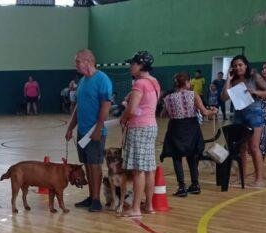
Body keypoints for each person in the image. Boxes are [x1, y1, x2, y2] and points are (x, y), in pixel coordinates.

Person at [66, 49, 112, 213]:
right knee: (87, 165)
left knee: (95, 166)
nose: (76, 64)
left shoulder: (102, 80)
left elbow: (106, 106)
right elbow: (79, 106)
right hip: (82, 132)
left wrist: (98, 128)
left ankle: (96, 200)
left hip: (95, 132)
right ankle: (91, 196)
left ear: (88, 61)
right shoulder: (83, 82)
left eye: (77, 61)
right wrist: (71, 127)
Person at [118, 51, 160, 218]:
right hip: (151, 126)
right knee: (149, 168)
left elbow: (132, 108)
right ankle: (148, 205)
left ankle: (135, 208)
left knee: (138, 170)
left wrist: (123, 118)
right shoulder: (154, 82)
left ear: (140, 65)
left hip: (139, 127)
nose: (130, 66)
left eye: (133, 63)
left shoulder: (139, 84)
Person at [161, 72, 217, 196]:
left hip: (175, 128)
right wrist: (214, 111)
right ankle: (195, 185)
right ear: (186, 82)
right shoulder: (193, 95)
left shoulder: (168, 98)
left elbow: (163, 115)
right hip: (191, 128)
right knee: (192, 156)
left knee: (177, 157)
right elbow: (205, 113)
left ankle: (181, 187)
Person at [221, 55, 266, 187]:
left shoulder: (254, 76)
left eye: (240, 65)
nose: (238, 68)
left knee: (254, 147)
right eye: (235, 66)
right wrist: (228, 80)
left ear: (246, 65)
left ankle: (259, 179)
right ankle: (240, 177)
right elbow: (224, 97)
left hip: (254, 113)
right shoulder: (233, 80)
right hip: (239, 114)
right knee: (240, 147)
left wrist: (255, 92)